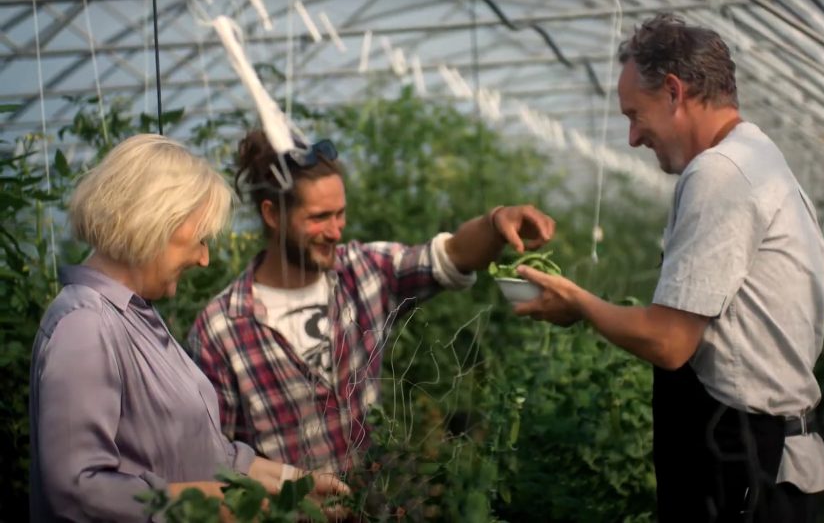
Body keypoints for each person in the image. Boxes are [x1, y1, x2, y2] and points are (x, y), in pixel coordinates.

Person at [513, 14, 824, 522]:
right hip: (766, 461)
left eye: (634, 115)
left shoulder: (721, 173)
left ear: (673, 91)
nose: (633, 137)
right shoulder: (760, 160)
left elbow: (669, 341)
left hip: (743, 467)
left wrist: (578, 303)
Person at [189, 130, 555, 474]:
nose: (335, 231)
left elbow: (452, 255)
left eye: (340, 214)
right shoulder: (223, 329)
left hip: (376, 502)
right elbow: (219, 459)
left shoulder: (363, 271)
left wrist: (495, 223)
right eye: (318, 218)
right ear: (272, 214)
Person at [29, 134, 348, 522]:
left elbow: (202, 452)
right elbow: (79, 491)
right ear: (152, 224)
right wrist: (219, 504)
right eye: (198, 240)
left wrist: (291, 482)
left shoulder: (135, 316)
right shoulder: (86, 326)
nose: (203, 258)